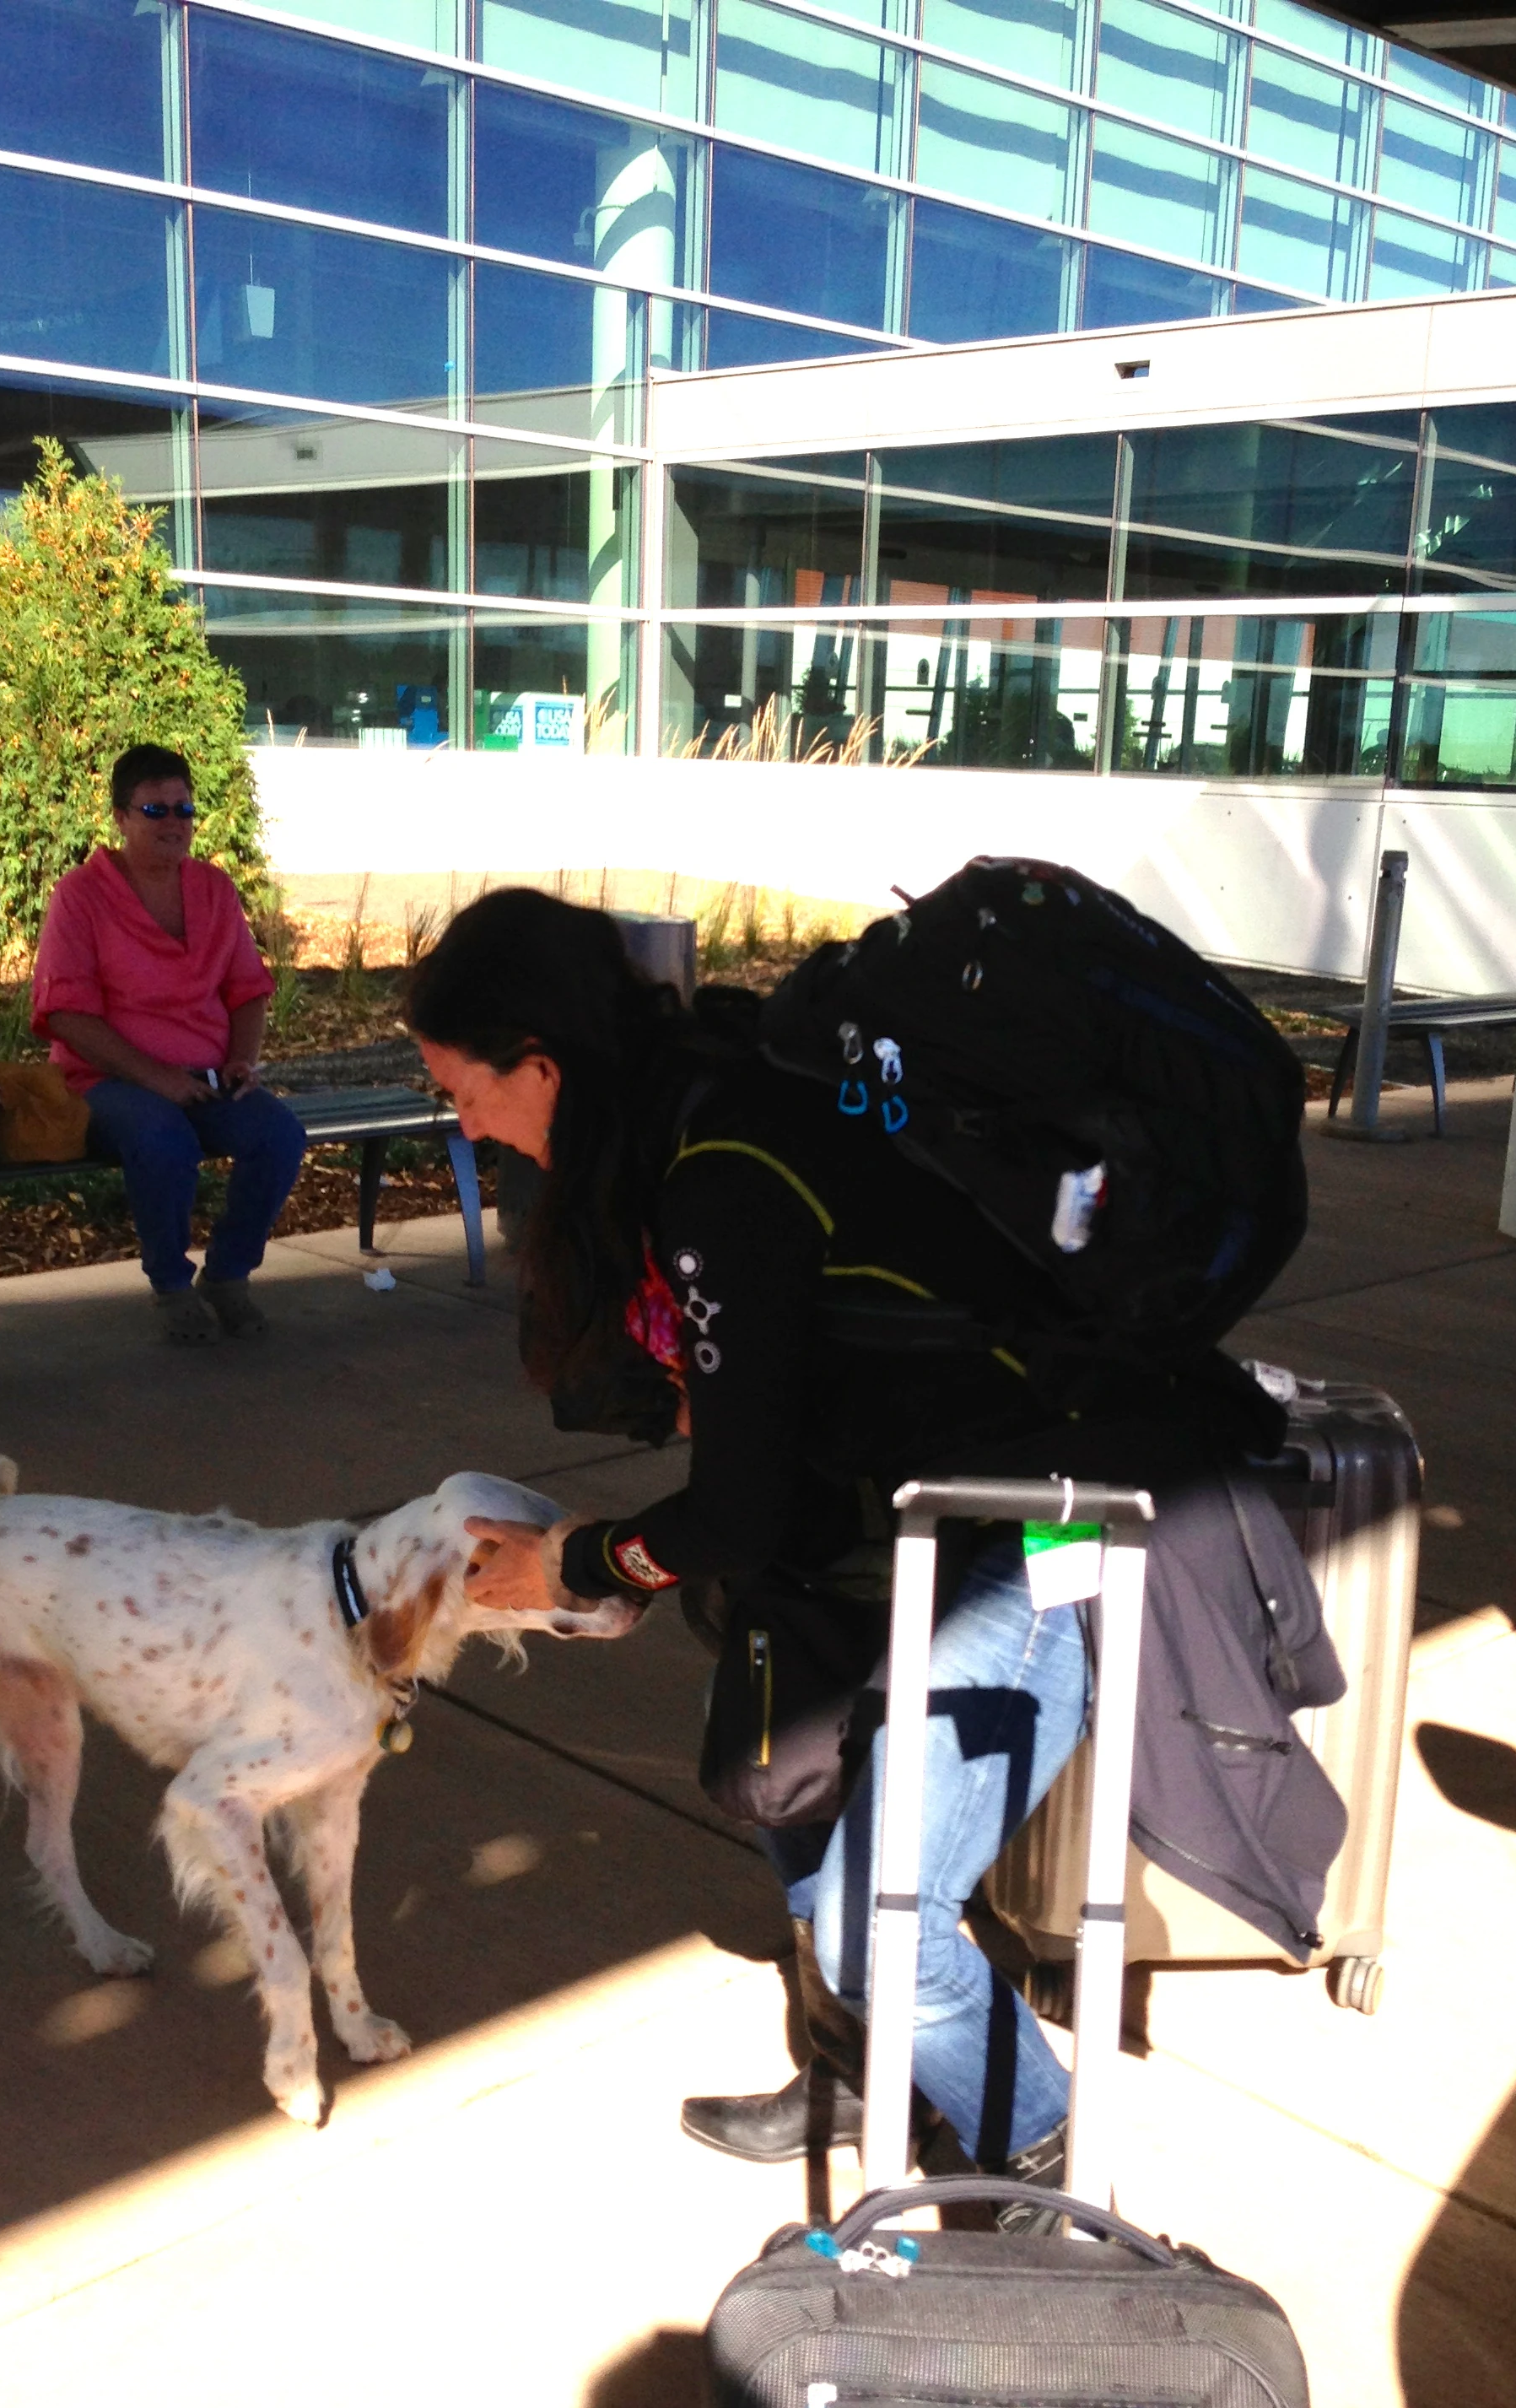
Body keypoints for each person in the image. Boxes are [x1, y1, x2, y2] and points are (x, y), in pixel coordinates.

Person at [409, 889, 1280, 2222]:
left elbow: (738, 1509)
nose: (459, 1124)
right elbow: (765, 1421)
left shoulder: (716, 1173)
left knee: (887, 1918)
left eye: (460, 1090)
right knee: (792, 1787)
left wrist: (584, 1566)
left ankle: (1056, 2184)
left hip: (1033, 1520)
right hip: (898, 1511)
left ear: (542, 1065)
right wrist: (650, 1544)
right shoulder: (692, 1112)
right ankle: (886, 2074)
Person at [31, 742, 306, 1342]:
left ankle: (229, 1275)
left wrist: (242, 1061)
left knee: (279, 1135)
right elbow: (67, 1015)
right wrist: (158, 1079)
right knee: (164, 1140)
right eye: (154, 811)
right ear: (120, 817)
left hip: (204, 1076)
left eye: (183, 810)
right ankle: (171, 1285)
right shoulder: (80, 896)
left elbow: (247, 989)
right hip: (107, 1082)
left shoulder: (213, 888)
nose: (173, 824)